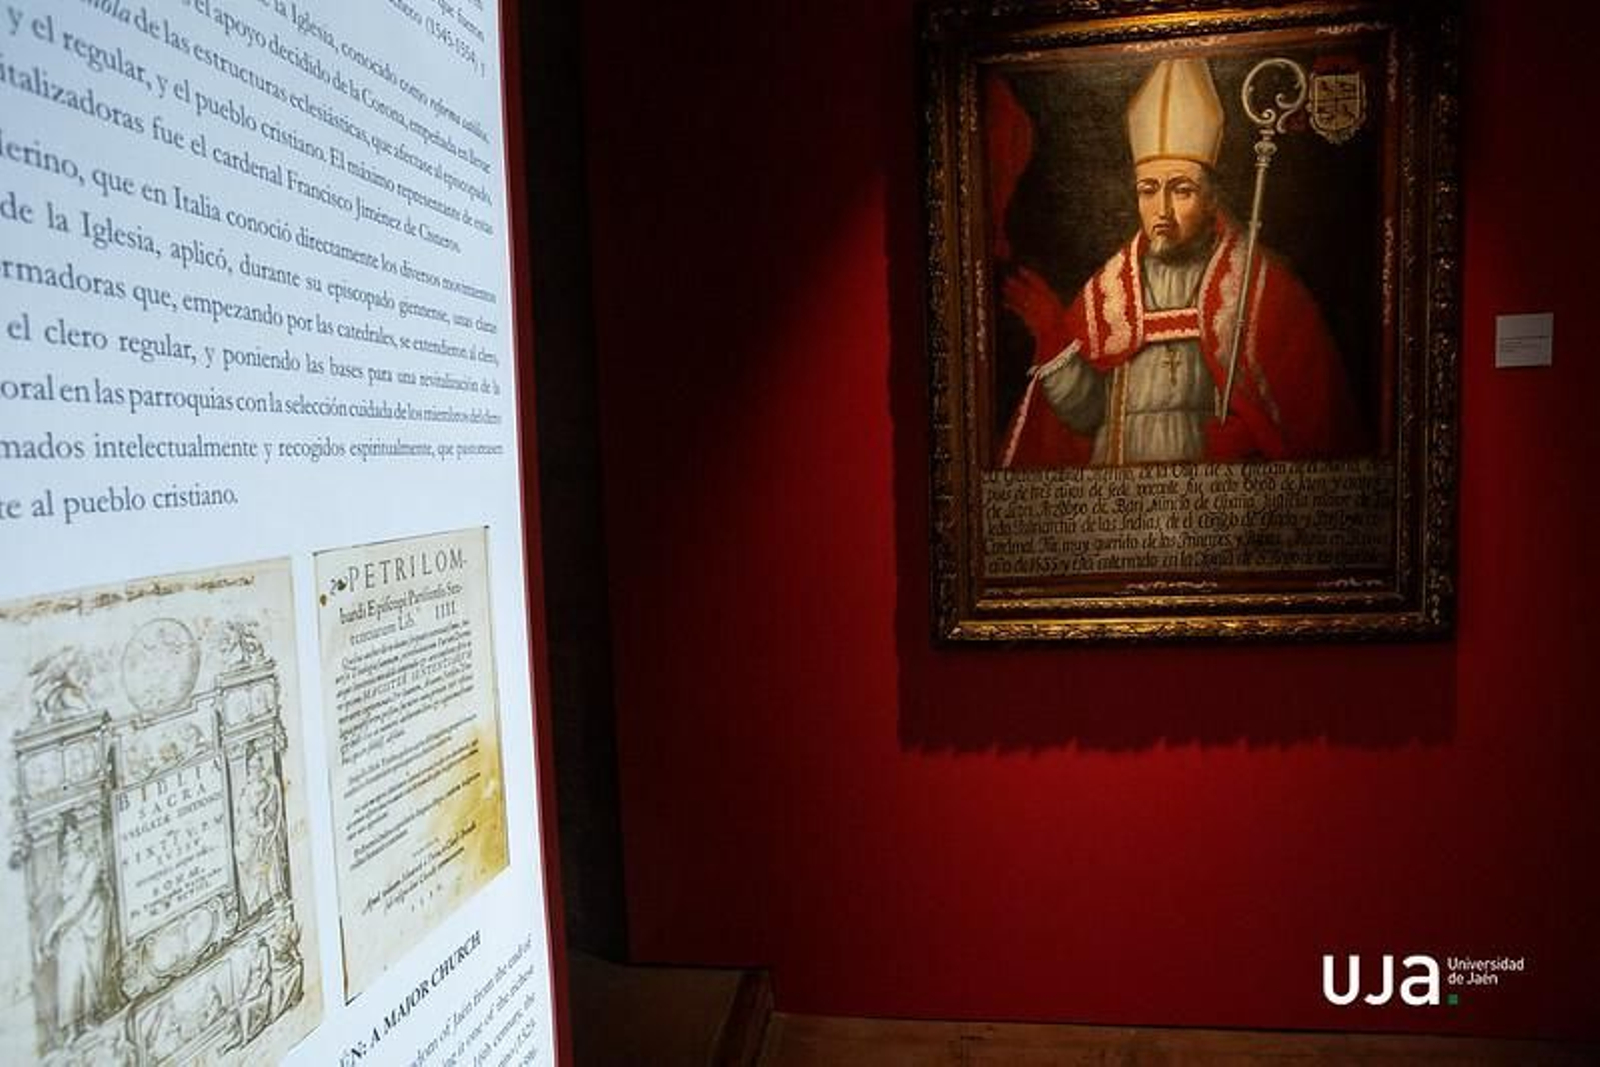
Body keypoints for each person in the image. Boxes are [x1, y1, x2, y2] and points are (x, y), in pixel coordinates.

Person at [999, 58, 1361, 468]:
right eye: (1149, 190)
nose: (1162, 211)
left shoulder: (1259, 291)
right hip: (1124, 507)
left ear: (1211, 200)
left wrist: (1255, 443)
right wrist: (1056, 344)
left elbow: (1316, 431)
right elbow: (1085, 418)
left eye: (1182, 190)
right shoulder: (1109, 294)